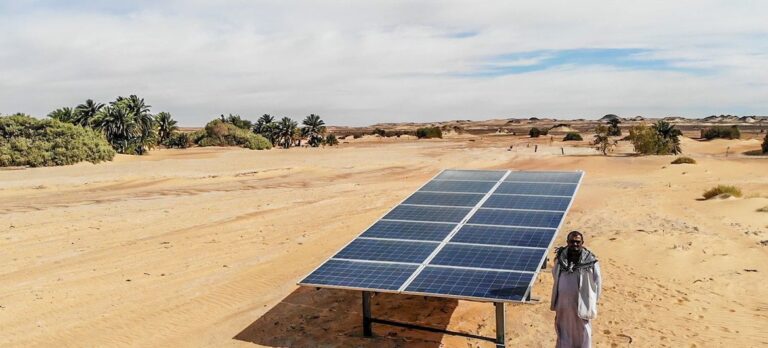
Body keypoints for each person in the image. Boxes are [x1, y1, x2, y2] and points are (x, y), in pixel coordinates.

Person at [550, 231, 602, 348]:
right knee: (563, 329)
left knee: (583, 329)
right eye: (572, 242)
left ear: (582, 243)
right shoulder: (560, 260)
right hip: (563, 304)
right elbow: (555, 275)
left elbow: (597, 281)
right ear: (567, 242)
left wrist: (592, 301)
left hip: (582, 303)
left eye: (577, 242)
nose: (575, 244)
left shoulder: (590, 261)